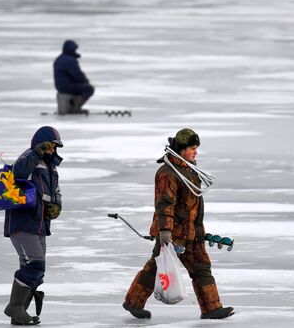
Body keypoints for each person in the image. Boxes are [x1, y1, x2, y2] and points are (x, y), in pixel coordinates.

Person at [122, 128, 234, 320]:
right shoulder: (168, 173)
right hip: (173, 234)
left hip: (192, 233)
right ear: (181, 149)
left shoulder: (190, 170)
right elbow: (165, 203)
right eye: (192, 148)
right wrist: (165, 231)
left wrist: (198, 231)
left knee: (201, 267)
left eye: (196, 148)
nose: (196, 152)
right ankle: (133, 302)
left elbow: (194, 205)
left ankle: (211, 308)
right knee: (156, 268)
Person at [3, 126, 64, 325]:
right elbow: (18, 173)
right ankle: (15, 307)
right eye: (50, 146)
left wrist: (57, 205)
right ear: (41, 144)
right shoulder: (29, 157)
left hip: (39, 224)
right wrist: (36, 152)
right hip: (23, 221)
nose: (53, 151)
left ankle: (20, 313)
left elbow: (56, 191)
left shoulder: (51, 166)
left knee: (36, 268)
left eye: (55, 147)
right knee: (35, 264)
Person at [53, 40, 95, 115]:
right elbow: (78, 75)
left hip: (60, 86)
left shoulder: (59, 59)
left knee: (83, 87)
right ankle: (75, 109)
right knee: (89, 89)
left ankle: (74, 104)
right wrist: (85, 81)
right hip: (67, 86)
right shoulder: (70, 60)